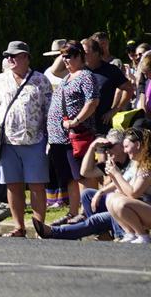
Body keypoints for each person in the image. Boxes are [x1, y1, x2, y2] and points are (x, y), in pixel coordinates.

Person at [0, 40, 53, 238]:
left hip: (35, 139)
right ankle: (19, 227)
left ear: (26, 57)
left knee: (37, 184)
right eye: (8, 56)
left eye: (15, 55)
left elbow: (49, 112)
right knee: (13, 185)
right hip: (7, 141)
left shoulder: (40, 80)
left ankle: (39, 227)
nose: (10, 59)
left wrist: (50, 139)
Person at [35, 128, 130, 240]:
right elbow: (85, 172)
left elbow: (130, 189)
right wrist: (92, 147)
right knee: (87, 194)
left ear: (122, 145)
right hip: (116, 204)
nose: (107, 151)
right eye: (105, 148)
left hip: (126, 206)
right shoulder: (113, 163)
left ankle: (54, 232)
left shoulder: (132, 162)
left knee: (96, 219)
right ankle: (103, 235)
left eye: (110, 146)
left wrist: (103, 189)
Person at [44, 40, 99, 225]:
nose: (64, 60)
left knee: (82, 175)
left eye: (68, 56)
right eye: (63, 56)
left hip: (77, 135)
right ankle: (74, 212)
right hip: (60, 137)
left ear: (79, 56)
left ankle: (88, 212)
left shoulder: (85, 76)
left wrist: (76, 121)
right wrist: (64, 51)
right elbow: (54, 70)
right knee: (70, 178)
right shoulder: (67, 76)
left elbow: (92, 102)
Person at [103, 126, 151, 243]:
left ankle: (143, 236)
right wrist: (113, 176)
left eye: (126, 146)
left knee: (122, 203)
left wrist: (117, 174)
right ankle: (131, 233)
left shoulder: (148, 166)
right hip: (145, 207)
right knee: (110, 198)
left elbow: (133, 193)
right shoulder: (137, 164)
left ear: (138, 145)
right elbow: (123, 191)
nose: (124, 151)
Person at [85, 36, 133, 130]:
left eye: (86, 53)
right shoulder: (80, 71)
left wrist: (115, 109)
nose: (82, 56)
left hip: (102, 124)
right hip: (81, 125)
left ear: (96, 53)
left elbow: (129, 89)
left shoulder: (111, 70)